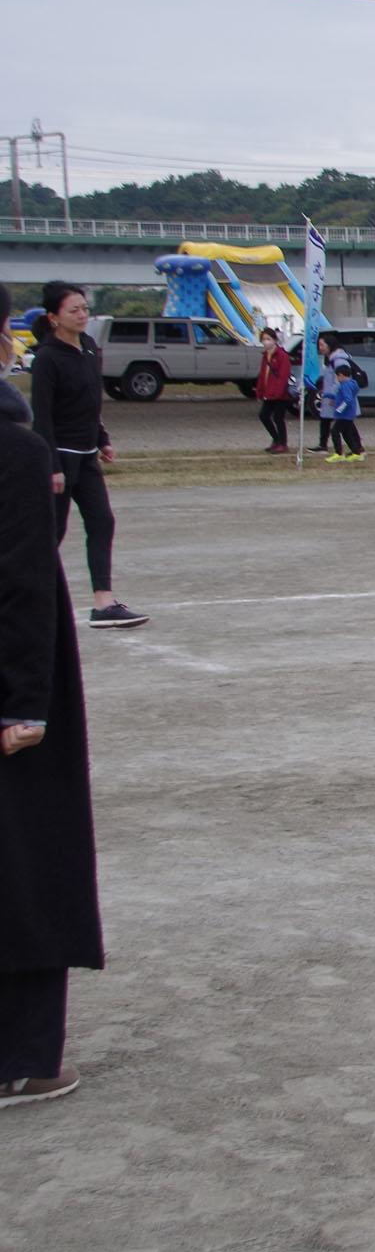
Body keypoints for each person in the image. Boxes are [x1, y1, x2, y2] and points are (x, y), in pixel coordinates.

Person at [1, 283, 105, 1111]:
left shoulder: (85, 356)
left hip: (71, 461)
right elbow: (23, 583)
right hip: (14, 689)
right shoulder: (13, 447)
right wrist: (26, 703)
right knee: (25, 860)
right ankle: (25, 1053)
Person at [28, 287, 145, 631]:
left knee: (102, 521)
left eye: (84, 309)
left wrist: (102, 439)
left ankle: (103, 605)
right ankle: (27, 599)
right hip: (59, 458)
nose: (82, 315)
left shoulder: (90, 349)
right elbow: (42, 416)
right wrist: (51, 466)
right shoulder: (47, 358)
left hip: (86, 455)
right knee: (51, 532)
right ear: (54, 318)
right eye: (73, 310)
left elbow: (93, 401)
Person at [255, 327, 294, 452]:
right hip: (269, 393)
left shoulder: (282, 355)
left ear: (275, 340)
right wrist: (260, 392)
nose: (266, 342)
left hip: (280, 395)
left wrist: (277, 392)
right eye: (264, 339)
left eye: (268, 339)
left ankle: (282, 443)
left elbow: (283, 376)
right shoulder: (266, 355)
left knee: (278, 418)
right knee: (264, 416)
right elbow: (262, 375)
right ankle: (276, 439)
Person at [320, 361, 364, 461]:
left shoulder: (345, 385)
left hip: (344, 415)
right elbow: (340, 397)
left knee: (335, 432)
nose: (337, 379)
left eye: (337, 377)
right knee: (346, 434)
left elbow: (347, 399)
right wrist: (327, 395)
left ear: (340, 375)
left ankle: (339, 453)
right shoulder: (350, 384)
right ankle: (357, 452)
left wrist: (340, 409)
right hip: (348, 414)